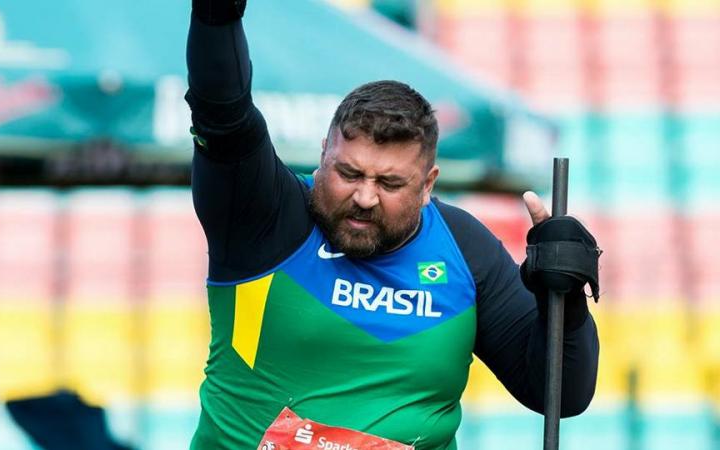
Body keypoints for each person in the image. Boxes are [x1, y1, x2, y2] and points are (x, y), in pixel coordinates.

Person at [185, 1, 600, 449]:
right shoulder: (265, 213)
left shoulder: (463, 247)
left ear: (427, 185)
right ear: (324, 151)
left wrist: (566, 299)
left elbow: (560, 395)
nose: (364, 197)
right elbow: (223, 116)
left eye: (389, 183)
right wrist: (216, 18)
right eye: (349, 174)